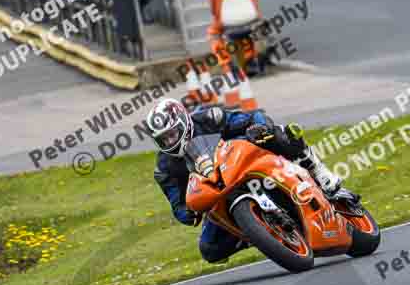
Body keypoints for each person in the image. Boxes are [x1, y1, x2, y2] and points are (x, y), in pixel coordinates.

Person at [147, 98, 360, 263]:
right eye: (163, 139)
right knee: (209, 249)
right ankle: (256, 231)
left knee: (276, 134)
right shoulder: (164, 169)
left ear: (183, 122)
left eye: (172, 134)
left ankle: (318, 170)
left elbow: (250, 117)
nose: (169, 141)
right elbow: (178, 206)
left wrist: (258, 127)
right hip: (217, 192)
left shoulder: (209, 117)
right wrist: (190, 212)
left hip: (242, 159)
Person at [208, 0, 261, 76]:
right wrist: (257, 16)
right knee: (246, 34)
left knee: (213, 33)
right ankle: (250, 60)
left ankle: (227, 64)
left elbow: (213, 7)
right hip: (249, 18)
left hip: (228, 21)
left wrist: (219, 21)